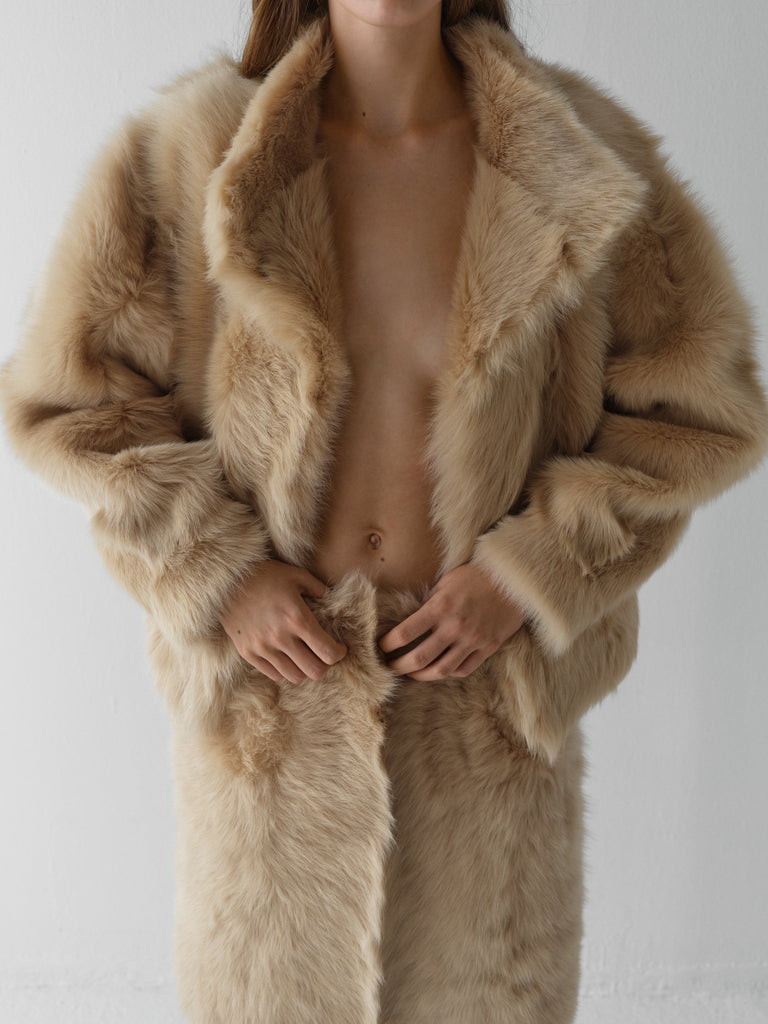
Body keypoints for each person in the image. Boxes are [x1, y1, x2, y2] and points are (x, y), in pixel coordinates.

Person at [1, 1, 765, 1022]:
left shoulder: (579, 157)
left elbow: (697, 410)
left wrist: (533, 570)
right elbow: (77, 406)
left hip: (487, 717)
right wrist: (222, 574)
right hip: (272, 723)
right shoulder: (189, 153)